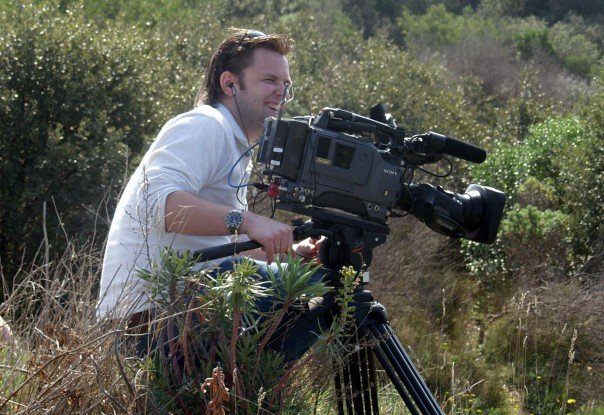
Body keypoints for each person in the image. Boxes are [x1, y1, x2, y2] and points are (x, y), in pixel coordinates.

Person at [97, 29, 324, 353]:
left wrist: (290, 252)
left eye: (286, 84)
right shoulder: (206, 124)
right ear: (230, 84)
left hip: (176, 308)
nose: (281, 92)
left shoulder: (234, 145)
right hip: (149, 321)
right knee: (321, 290)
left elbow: (220, 246)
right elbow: (151, 203)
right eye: (270, 80)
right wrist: (247, 221)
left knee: (307, 280)